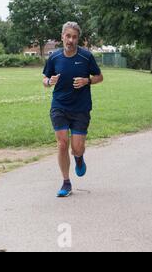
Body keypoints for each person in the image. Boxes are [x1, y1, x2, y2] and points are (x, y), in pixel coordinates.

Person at [43, 22, 103, 198]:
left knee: (77, 148)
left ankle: (78, 157)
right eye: (67, 36)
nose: (70, 40)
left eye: (74, 37)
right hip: (59, 106)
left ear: (78, 39)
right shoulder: (54, 57)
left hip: (80, 108)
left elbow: (99, 76)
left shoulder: (86, 57)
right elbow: (45, 79)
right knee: (62, 143)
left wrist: (87, 81)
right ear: (62, 36)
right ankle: (66, 182)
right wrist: (49, 82)